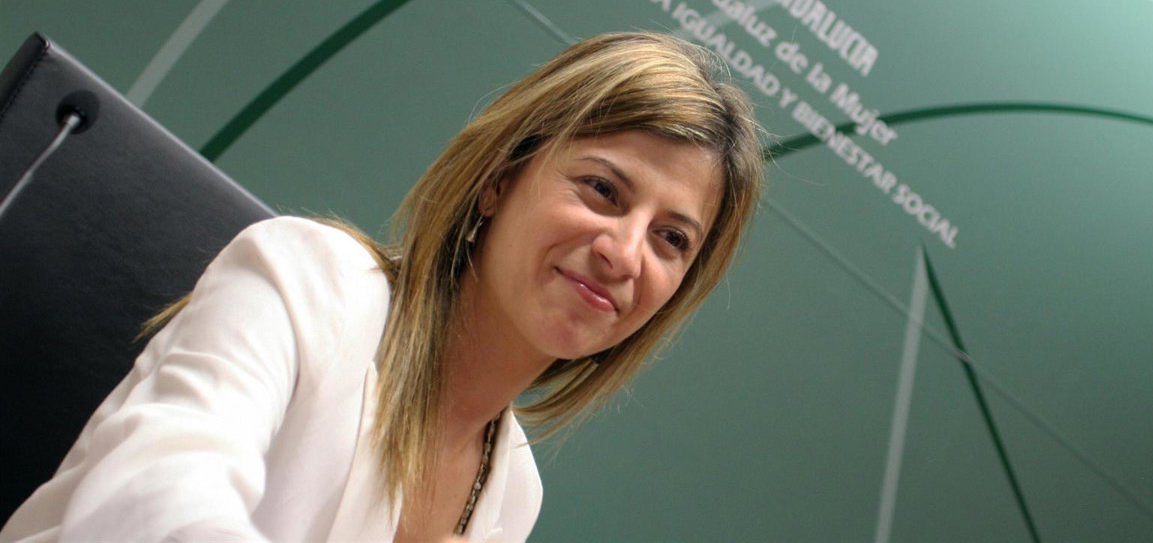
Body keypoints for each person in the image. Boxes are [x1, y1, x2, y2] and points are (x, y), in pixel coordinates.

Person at [0, 31, 764, 543]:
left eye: (672, 239)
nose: (625, 254)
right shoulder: (309, 278)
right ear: (499, 181)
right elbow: (147, 500)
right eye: (602, 190)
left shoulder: (513, 492)